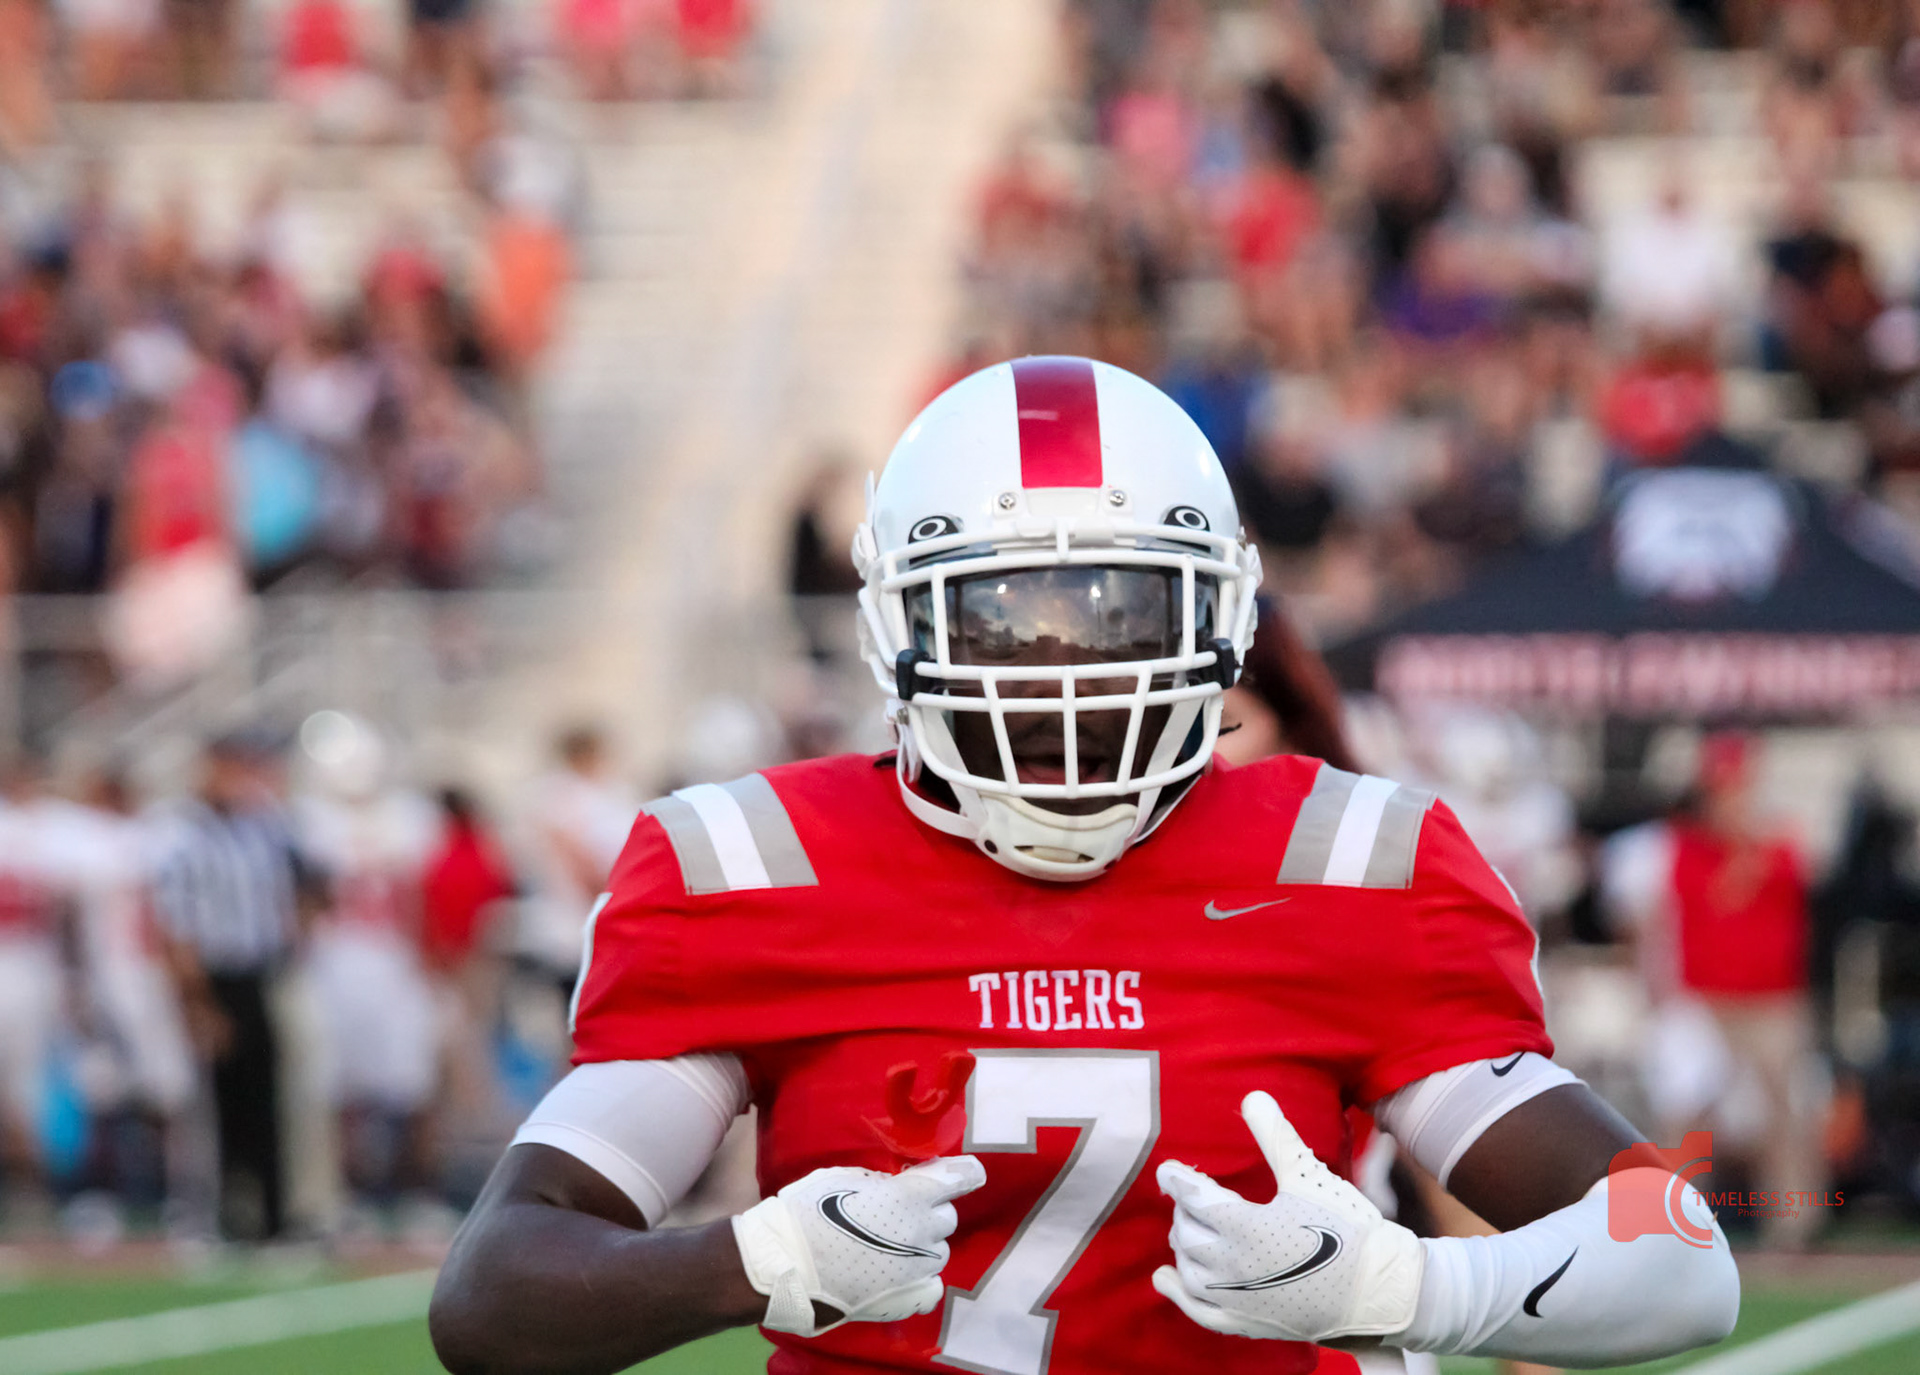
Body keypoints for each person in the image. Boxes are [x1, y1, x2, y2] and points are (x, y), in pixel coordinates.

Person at [431, 358, 1738, 1375]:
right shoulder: (751, 867)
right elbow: (493, 1294)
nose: (1066, 674)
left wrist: (1403, 1286)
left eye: (1121, 612)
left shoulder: (1346, 862)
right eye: (1002, 618)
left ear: (1222, 617)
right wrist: (756, 1259)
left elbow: (1682, 1254)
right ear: (898, 624)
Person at [151, 732, 313, 1241]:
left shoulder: (261, 829)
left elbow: (307, 885)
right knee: (214, 1103)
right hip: (212, 979)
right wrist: (197, 1003)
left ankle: (273, 1214)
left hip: (259, 974)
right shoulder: (182, 836)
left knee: (267, 1099)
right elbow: (176, 928)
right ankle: (218, 1213)